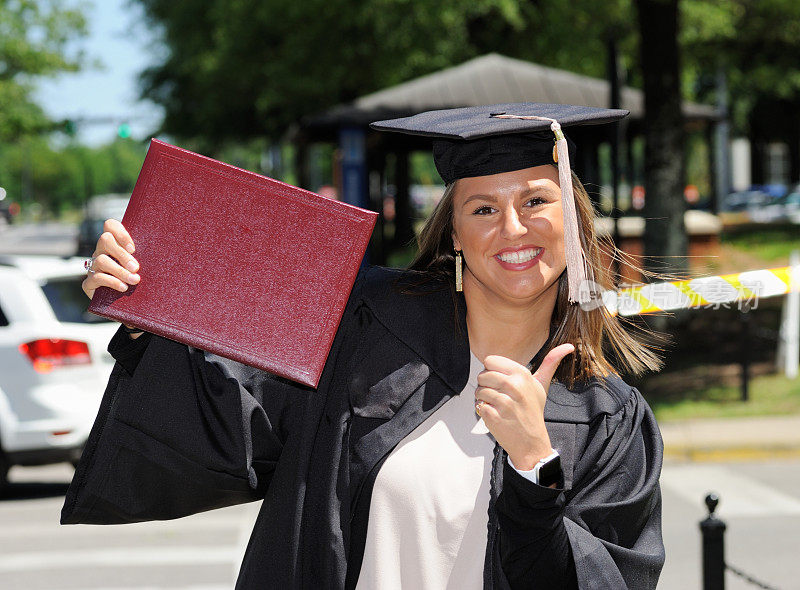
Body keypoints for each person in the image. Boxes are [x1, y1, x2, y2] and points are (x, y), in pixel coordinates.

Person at [63, 103, 666, 590]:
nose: (512, 228)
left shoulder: (609, 420)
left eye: (536, 200)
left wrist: (537, 468)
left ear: (573, 219)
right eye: (483, 208)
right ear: (454, 233)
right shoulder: (366, 332)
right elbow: (231, 421)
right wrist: (148, 302)